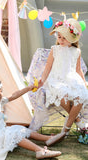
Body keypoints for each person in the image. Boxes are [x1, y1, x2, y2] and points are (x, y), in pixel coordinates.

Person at [0, 77, 61, 160]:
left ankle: (48, 139)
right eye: (1, 91)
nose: (2, 93)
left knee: (20, 129)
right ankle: (39, 150)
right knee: (15, 135)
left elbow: (14, 95)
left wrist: (29, 88)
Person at [29, 18, 88, 146]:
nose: (60, 40)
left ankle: (64, 131)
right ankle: (76, 121)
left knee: (82, 95)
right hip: (56, 79)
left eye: (64, 38)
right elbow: (48, 67)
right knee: (62, 94)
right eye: (59, 37)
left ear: (72, 39)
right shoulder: (54, 49)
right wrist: (42, 80)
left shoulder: (76, 51)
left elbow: (78, 70)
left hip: (72, 78)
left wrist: (84, 83)